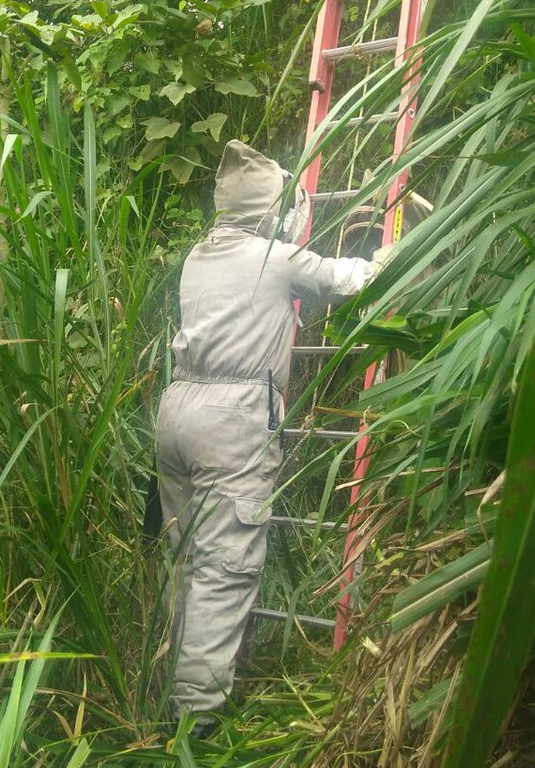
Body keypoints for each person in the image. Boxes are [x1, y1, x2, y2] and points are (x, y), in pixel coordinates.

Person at [156, 140, 392, 733]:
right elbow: (351, 280)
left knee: (183, 559)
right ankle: (196, 725)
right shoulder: (276, 257)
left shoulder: (196, 257)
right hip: (231, 421)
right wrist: (394, 254)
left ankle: (168, 689)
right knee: (224, 566)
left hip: (177, 412)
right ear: (272, 210)